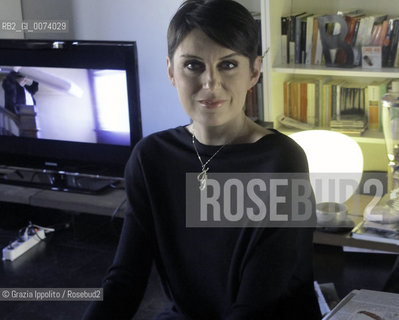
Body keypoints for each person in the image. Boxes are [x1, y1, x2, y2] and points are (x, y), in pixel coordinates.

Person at [83, 0, 322, 319]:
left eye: (228, 65)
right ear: (171, 70)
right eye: (193, 65)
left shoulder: (282, 160)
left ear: (254, 71)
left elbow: (260, 302)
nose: (210, 84)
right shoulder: (150, 157)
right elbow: (124, 280)